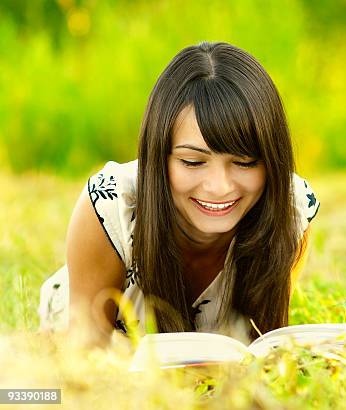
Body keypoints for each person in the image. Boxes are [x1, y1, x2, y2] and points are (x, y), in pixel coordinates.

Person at [37, 41, 320, 348]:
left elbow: (264, 339)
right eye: (193, 162)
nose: (219, 186)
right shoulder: (110, 203)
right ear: (159, 156)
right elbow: (87, 353)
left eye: (244, 162)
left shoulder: (290, 208)